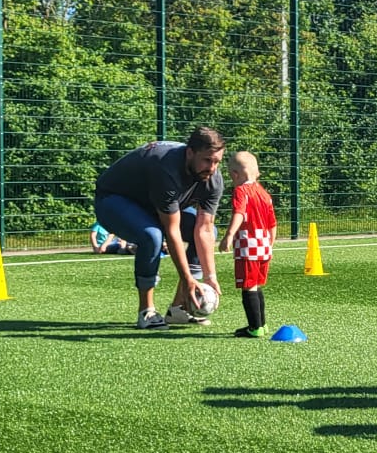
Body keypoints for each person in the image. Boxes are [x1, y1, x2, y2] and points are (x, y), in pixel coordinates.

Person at [92, 127, 225, 330]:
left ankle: (179, 309)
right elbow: (171, 230)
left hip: (152, 205)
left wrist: (210, 277)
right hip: (113, 200)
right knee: (152, 235)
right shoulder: (166, 168)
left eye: (217, 161)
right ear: (190, 153)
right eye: (207, 160)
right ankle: (146, 311)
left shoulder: (213, 180)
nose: (212, 168)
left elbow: (205, 229)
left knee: (211, 232)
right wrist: (187, 278)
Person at [218, 150, 277, 338]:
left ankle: (255, 327)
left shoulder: (241, 191)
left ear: (235, 174)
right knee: (257, 285)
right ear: (257, 172)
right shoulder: (264, 193)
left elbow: (239, 213)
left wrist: (229, 235)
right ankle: (262, 324)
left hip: (248, 245)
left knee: (248, 286)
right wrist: (270, 244)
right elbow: (272, 223)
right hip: (264, 245)